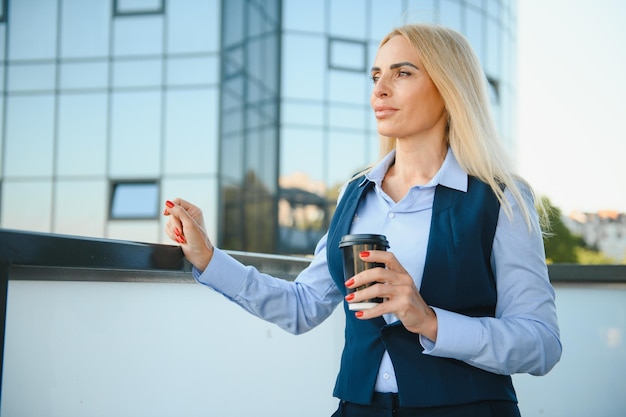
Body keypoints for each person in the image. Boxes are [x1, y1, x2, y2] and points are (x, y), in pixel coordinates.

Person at [164, 23, 562, 417]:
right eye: (376, 75)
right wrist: (207, 258)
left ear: (448, 88)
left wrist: (429, 321)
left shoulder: (501, 198)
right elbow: (303, 305)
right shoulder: (354, 194)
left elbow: (541, 344)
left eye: (402, 73)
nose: (380, 90)